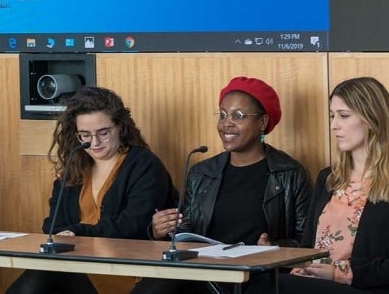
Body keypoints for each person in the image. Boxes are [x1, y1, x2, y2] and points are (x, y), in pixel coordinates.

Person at [132, 77, 312, 294]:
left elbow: (306, 240)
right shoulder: (202, 172)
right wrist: (159, 231)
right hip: (201, 271)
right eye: (223, 115)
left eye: (238, 116)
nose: (226, 123)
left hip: (254, 277)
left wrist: (274, 247)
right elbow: (187, 232)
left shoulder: (290, 173)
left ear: (262, 123)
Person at [249, 77, 389, 294]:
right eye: (333, 116)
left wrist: (338, 273)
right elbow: (308, 249)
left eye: (343, 116)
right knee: (258, 282)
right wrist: (276, 254)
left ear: (372, 118)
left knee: (270, 288)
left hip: (364, 287)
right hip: (310, 284)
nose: (334, 125)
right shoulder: (328, 178)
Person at [6, 86, 176, 294]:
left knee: (44, 273)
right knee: (42, 271)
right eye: (84, 135)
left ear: (120, 127)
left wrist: (77, 232)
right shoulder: (74, 166)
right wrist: (67, 234)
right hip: (81, 269)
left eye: (103, 133)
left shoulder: (144, 165)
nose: (94, 143)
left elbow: (134, 225)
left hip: (129, 272)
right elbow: (53, 226)